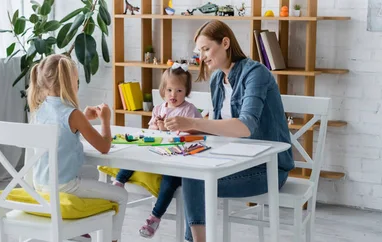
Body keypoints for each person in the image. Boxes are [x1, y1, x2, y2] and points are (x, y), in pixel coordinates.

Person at [163, 20, 294, 242]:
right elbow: (219, 128)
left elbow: (244, 126)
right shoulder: (217, 79)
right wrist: (189, 130)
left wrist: (193, 123)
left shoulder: (256, 73)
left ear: (225, 43)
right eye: (200, 50)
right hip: (233, 161)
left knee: (194, 179)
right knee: (187, 170)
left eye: (206, 49)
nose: (202, 56)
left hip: (267, 169)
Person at [28, 54, 128, 242]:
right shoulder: (72, 114)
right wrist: (105, 119)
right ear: (69, 82)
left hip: (40, 184)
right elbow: (104, 147)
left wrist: (83, 119)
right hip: (63, 186)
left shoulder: (39, 109)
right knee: (121, 195)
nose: (77, 84)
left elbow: (63, 130)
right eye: (76, 80)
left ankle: (80, 229)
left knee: (92, 174)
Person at [112, 63, 203, 238]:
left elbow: (195, 132)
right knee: (136, 150)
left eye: (179, 91)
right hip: (155, 154)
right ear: (163, 90)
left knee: (170, 181)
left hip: (176, 158)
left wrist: (176, 129)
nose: (173, 95)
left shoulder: (189, 110)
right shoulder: (159, 109)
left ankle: (154, 218)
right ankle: (120, 180)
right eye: (169, 90)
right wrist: (157, 126)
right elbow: (150, 131)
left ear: (186, 91)